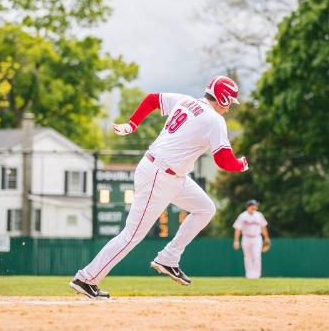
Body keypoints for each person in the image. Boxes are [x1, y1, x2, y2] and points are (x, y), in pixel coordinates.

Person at [70, 76, 249, 299]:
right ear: (222, 99)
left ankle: (169, 258)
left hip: (172, 175)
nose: (229, 106)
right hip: (160, 175)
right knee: (131, 235)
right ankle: (86, 278)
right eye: (230, 102)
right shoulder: (214, 120)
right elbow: (224, 160)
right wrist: (241, 164)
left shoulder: (185, 100)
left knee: (205, 209)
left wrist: (133, 123)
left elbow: (152, 99)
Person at [233, 200, 271, 279]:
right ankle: (249, 275)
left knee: (257, 256)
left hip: (257, 238)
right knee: (247, 257)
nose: (256, 207)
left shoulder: (259, 215)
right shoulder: (242, 216)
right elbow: (237, 229)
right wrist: (236, 241)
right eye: (254, 205)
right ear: (249, 206)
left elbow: (263, 227)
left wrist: (266, 237)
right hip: (246, 238)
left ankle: (257, 275)